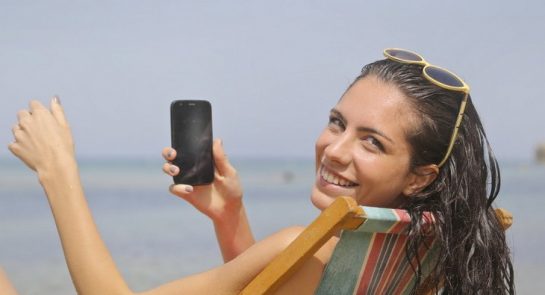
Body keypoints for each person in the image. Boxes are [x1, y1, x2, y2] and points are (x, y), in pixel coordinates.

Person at [8, 48, 515, 294]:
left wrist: (58, 171)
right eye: (336, 122)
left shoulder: (321, 246)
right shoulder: (419, 251)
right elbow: (275, 287)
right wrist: (230, 216)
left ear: (419, 176)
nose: (333, 150)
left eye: (372, 142)